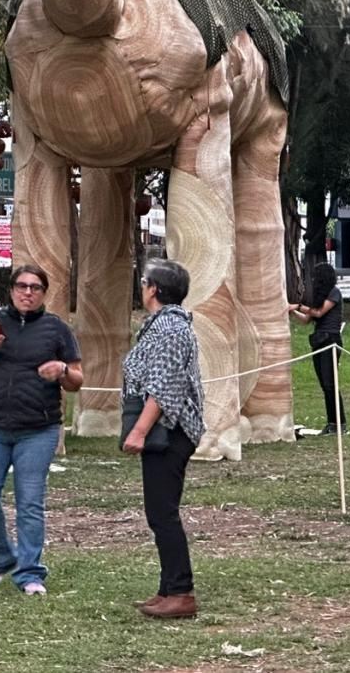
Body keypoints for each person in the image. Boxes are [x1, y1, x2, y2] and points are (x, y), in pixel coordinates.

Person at [0, 263, 82, 595]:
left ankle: (29, 573)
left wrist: (61, 371)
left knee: (30, 502)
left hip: (38, 430)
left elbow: (77, 380)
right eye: (21, 286)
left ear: (44, 293)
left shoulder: (56, 329)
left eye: (35, 287)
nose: (28, 292)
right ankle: (0, 557)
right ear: (11, 290)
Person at [121, 259, 205, 620]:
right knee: (159, 510)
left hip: (169, 430)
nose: (141, 287)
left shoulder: (170, 328)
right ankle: (167, 587)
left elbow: (164, 387)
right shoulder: (161, 326)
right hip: (164, 428)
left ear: (154, 289)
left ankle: (182, 591)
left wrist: (139, 430)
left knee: (163, 512)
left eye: (144, 281)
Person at [288, 262, 347, 435]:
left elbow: (319, 312)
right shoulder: (320, 296)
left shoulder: (334, 293)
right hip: (319, 342)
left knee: (330, 384)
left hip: (331, 341)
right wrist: (292, 312)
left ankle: (340, 423)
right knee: (324, 385)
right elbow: (307, 319)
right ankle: (331, 422)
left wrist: (297, 306)